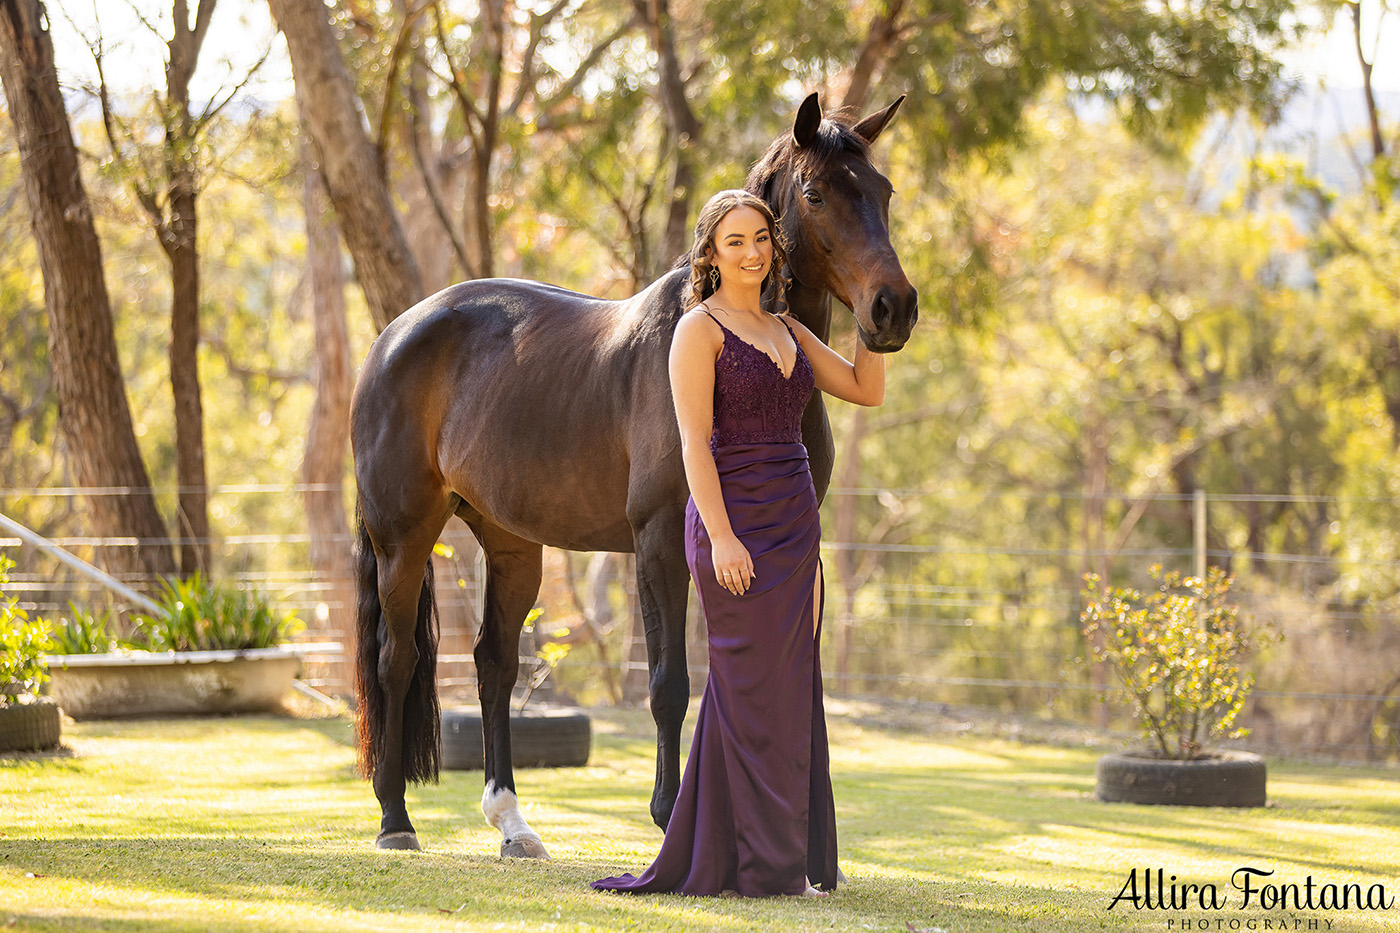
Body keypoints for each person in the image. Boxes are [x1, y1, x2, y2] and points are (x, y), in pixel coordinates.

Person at [591, 189, 887, 898]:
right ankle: (757, 863)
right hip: (733, 522)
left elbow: (862, 389)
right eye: (735, 241)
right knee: (747, 689)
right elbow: (693, 441)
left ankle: (777, 856)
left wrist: (870, 326)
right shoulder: (699, 328)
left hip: (793, 524)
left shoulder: (786, 328)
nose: (752, 251)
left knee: (789, 692)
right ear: (711, 252)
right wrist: (720, 535)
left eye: (760, 238)